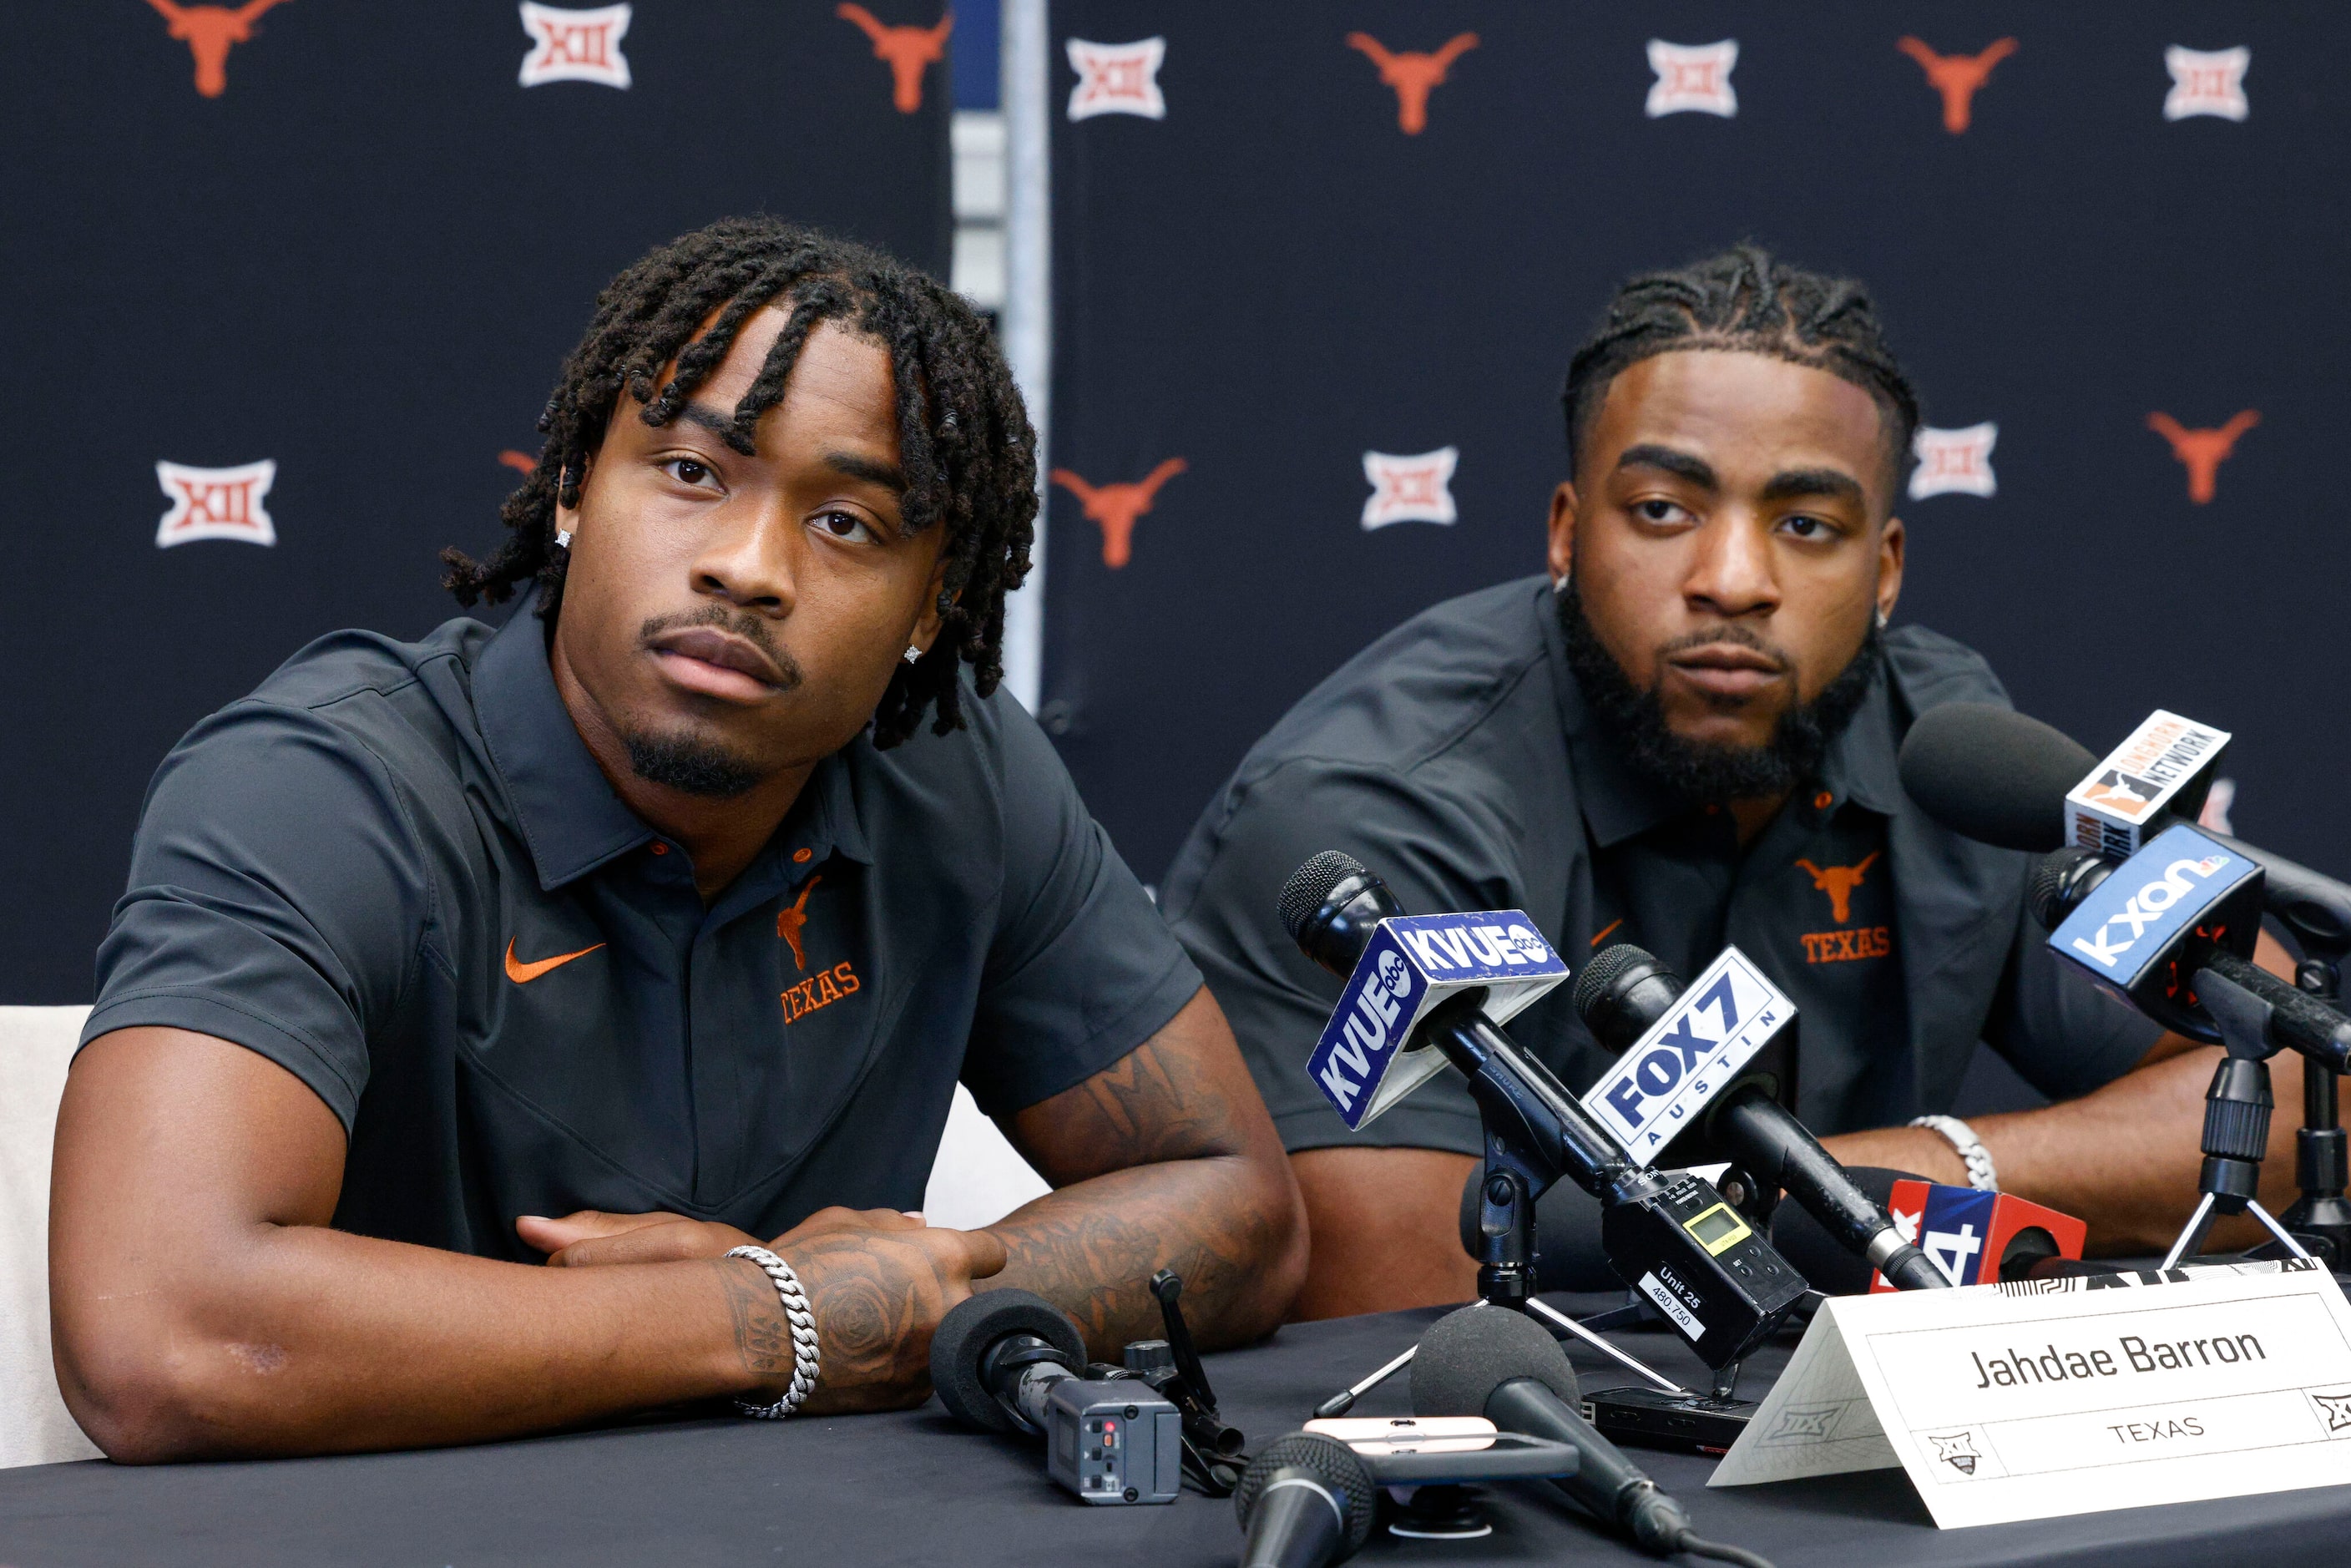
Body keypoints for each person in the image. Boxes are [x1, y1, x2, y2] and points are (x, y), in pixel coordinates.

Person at [51, 219, 1305, 1460]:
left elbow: (1239, 1204)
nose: (749, 568)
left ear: (935, 604)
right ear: (571, 489)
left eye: (847, 524)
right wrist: (775, 1314)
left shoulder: (955, 770)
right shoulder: (316, 791)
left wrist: (897, 1304)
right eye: (694, 472)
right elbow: (163, 1334)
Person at [1161, 245, 2298, 1319]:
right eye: (1663, 510)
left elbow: (2294, 1073)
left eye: (1806, 523)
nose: (1734, 579)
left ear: (1886, 567)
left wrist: (1920, 1167)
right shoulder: (1378, 811)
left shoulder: (1952, 748)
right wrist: (1851, 1211)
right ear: (1564, 534)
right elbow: (1394, 1275)